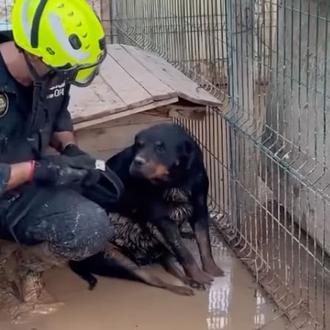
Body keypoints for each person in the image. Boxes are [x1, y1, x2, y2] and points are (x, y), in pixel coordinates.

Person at [0, 0, 115, 303]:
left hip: (22, 188)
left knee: (92, 225)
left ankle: (28, 265)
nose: (63, 77)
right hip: (13, 177)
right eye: (61, 70)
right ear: (33, 52)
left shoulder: (51, 69)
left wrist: (71, 148)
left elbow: (58, 116)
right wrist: (39, 170)